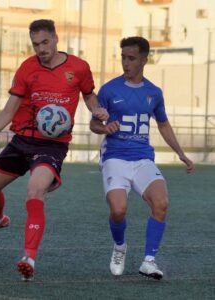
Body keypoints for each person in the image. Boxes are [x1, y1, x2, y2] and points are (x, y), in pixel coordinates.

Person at [0, 19, 108, 281]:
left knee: (36, 190)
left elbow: (88, 95)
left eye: (44, 42)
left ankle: (28, 257)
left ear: (55, 39)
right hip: (22, 140)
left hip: (52, 144)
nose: (41, 49)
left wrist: (96, 109)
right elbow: (8, 112)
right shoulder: (27, 68)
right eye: (35, 44)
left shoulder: (78, 67)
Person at [90, 36, 194, 280]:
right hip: (115, 157)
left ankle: (149, 261)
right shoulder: (109, 89)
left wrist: (181, 154)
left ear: (144, 60)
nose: (125, 63)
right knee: (118, 210)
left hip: (143, 158)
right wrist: (104, 127)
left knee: (161, 202)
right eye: (123, 57)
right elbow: (95, 123)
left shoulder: (154, 93)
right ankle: (120, 246)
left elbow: (164, 125)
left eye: (131, 58)